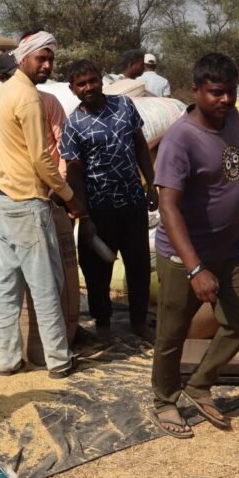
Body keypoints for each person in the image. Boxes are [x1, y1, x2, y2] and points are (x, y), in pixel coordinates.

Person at [150, 52, 239, 438]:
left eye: (230, 93)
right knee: (173, 331)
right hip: (184, 256)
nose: (225, 100)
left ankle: (200, 383)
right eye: (216, 93)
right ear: (196, 90)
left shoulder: (233, 119)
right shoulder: (179, 140)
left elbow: (236, 161)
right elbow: (168, 207)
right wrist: (195, 268)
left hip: (229, 248)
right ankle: (164, 400)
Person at [0, 30, 86, 378]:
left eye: (51, 59)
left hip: (3, 199)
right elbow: (42, 159)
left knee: (8, 285)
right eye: (41, 58)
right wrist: (70, 196)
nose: (47, 64)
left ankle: (7, 359)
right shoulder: (28, 98)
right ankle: (58, 359)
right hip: (27, 202)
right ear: (24, 57)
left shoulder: (5, 93)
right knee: (45, 284)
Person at [61, 59, 157, 343]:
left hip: (131, 201)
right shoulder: (73, 125)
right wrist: (84, 215)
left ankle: (139, 322)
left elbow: (139, 144)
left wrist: (151, 184)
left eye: (92, 80)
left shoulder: (124, 106)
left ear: (102, 80)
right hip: (98, 207)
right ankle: (102, 324)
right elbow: (74, 173)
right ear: (72, 89)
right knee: (95, 269)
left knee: (138, 263)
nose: (88, 87)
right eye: (81, 84)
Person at [0, 53, 68, 183]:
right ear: (3, 78)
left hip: (51, 185)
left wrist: (60, 182)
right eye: (16, 76)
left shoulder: (49, 102)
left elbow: (64, 144)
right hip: (15, 190)